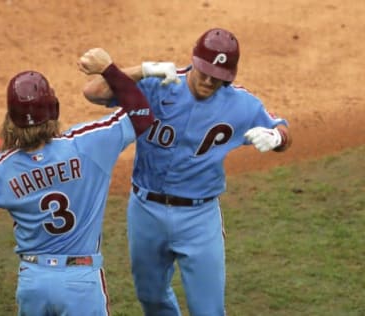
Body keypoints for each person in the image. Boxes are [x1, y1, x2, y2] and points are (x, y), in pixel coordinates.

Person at [82, 28, 293, 316]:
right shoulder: (158, 84)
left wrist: (277, 138)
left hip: (199, 217)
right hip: (146, 210)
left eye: (218, 76)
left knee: (208, 310)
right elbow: (94, 92)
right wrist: (142, 70)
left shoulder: (241, 105)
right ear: (193, 60)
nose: (208, 80)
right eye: (204, 71)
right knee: (151, 298)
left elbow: (281, 128)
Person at [0, 48, 156, 316]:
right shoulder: (87, 144)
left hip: (34, 282)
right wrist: (109, 69)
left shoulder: (2, 169)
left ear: (11, 120)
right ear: (54, 109)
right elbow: (141, 114)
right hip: (80, 281)